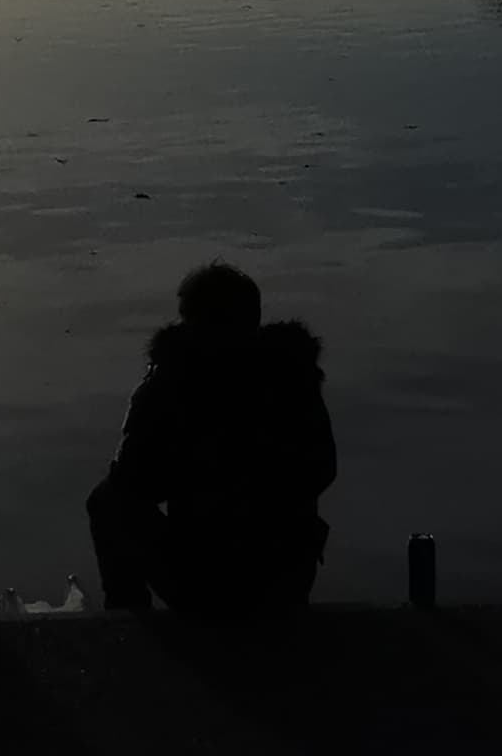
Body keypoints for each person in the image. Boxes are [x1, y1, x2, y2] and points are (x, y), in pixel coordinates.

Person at [87, 262, 335, 617]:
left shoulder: (174, 383)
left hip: (202, 579)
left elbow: (131, 482)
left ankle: (128, 618)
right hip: (285, 577)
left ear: (192, 321)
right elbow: (324, 470)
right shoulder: (291, 376)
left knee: (105, 501)